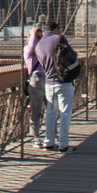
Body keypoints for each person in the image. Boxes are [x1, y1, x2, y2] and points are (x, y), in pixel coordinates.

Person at [34, 20, 77, 152]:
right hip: (63, 82)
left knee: (51, 113)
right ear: (56, 29)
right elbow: (73, 55)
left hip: (49, 83)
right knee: (65, 113)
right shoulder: (59, 38)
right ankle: (63, 145)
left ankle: (49, 142)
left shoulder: (39, 45)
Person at [23, 26, 46, 145]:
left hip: (47, 79)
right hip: (36, 81)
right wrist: (33, 34)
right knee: (36, 110)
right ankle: (36, 137)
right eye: (37, 37)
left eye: (41, 37)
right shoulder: (27, 49)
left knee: (52, 109)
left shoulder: (44, 50)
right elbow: (32, 47)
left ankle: (52, 136)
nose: (39, 40)